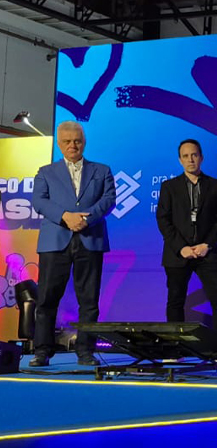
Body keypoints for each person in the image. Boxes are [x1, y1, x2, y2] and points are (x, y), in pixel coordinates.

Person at [29, 121, 116, 367]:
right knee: (46, 299)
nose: (72, 146)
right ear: (59, 144)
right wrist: (65, 217)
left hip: (90, 239)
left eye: (76, 141)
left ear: (84, 142)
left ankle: (85, 352)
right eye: (67, 141)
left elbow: (109, 199)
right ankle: (42, 351)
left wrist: (86, 219)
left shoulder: (102, 170)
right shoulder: (45, 171)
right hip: (55, 241)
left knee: (89, 300)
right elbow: (39, 201)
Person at [155, 139, 217, 338]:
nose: (190, 160)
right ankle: (174, 348)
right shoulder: (169, 187)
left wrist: (207, 244)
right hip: (178, 254)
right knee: (175, 301)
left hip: (208, 253)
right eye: (186, 156)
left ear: (201, 157)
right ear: (180, 160)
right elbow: (163, 220)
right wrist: (181, 248)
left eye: (194, 155)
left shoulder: (216, 186)